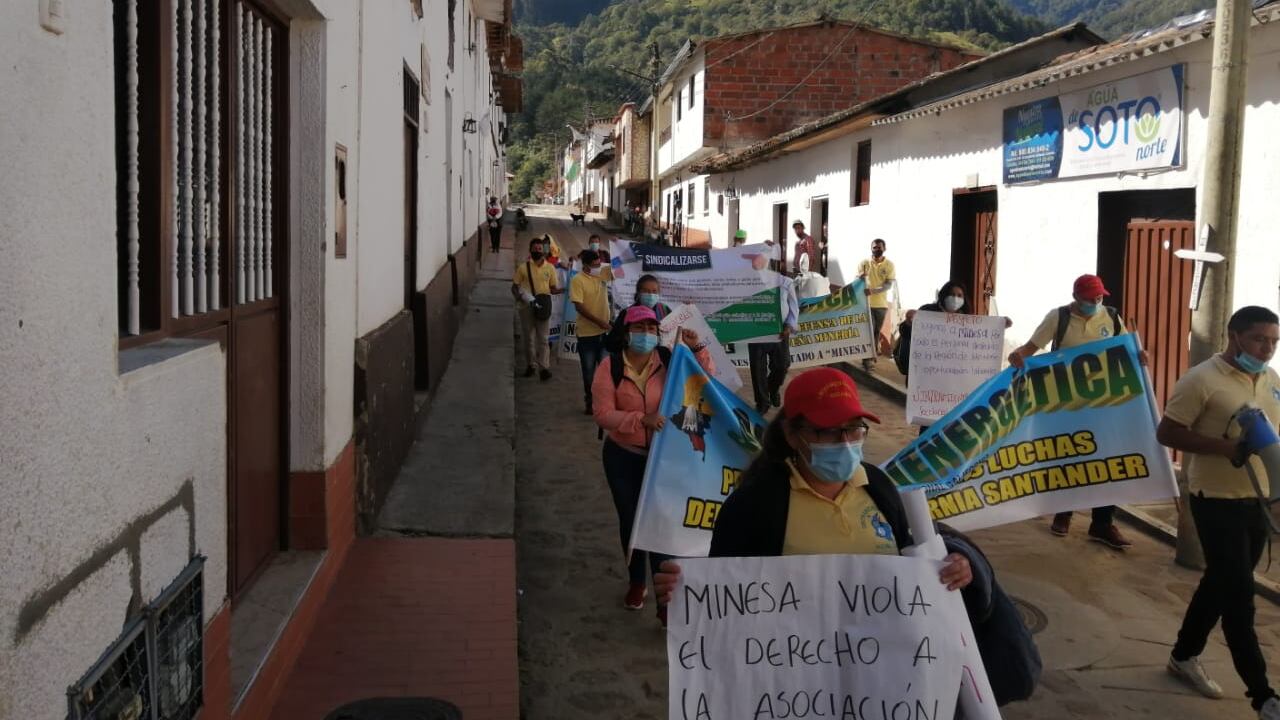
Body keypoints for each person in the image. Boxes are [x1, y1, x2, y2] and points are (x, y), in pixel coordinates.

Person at [652, 368, 1042, 703]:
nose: (845, 443)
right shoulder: (754, 506)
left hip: (885, 682)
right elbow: (723, 604)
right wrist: (685, 597)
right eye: (827, 432)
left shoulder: (880, 487)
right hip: (796, 690)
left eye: (854, 429)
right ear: (793, 434)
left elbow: (916, 560)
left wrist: (959, 567)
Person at [1158, 306, 1280, 717]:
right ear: (1234, 336)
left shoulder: (1270, 380)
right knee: (1239, 599)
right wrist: (1226, 448)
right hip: (1215, 502)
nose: (1267, 349)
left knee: (1220, 583)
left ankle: (1183, 656)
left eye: (1275, 342)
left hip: (1257, 502)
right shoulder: (1201, 380)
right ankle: (1264, 697)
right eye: (1260, 339)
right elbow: (1167, 432)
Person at [593, 305, 714, 626]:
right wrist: (639, 420)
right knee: (632, 522)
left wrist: (698, 348)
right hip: (622, 457)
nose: (645, 334)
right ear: (625, 331)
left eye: (650, 328)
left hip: (665, 460)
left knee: (661, 526)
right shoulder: (611, 366)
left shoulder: (671, 360)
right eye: (638, 328)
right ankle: (636, 582)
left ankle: (664, 600)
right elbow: (603, 414)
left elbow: (705, 383)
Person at [1008, 273, 1143, 549]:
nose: (1096, 301)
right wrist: (1018, 357)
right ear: (1076, 298)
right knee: (1070, 455)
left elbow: (1126, 350)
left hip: (1104, 402)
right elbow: (1031, 349)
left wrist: (1139, 356)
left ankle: (1103, 522)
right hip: (1065, 401)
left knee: (1107, 461)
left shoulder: (1111, 317)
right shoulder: (1058, 318)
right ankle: (1063, 512)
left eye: (1099, 297)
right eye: (1090, 298)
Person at [511, 237, 562, 380]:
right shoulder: (523, 268)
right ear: (530, 250)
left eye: (540, 249)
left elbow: (553, 289)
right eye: (535, 249)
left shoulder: (550, 268)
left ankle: (544, 368)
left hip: (543, 307)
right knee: (528, 339)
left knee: (544, 339)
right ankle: (530, 365)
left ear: (544, 251)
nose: (537, 251)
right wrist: (520, 297)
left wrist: (565, 289)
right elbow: (514, 287)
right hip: (526, 307)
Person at [748, 274, 800, 415]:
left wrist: (789, 326)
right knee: (758, 369)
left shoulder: (785, 283)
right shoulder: (744, 282)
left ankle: (772, 388)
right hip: (756, 330)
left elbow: (794, 307)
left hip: (780, 331)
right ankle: (762, 402)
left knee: (782, 365)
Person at [571, 249, 613, 414]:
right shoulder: (578, 280)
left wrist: (616, 244)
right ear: (586, 265)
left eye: (599, 263)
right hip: (587, 335)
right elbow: (579, 307)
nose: (599, 266)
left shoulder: (602, 273)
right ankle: (590, 401)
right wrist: (599, 322)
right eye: (595, 264)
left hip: (604, 334)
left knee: (605, 371)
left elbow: (622, 266)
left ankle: (603, 402)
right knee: (589, 372)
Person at [605, 274, 674, 353]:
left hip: (659, 359)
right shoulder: (627, 313)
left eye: (654, 291)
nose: (651, 295)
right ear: (638, 292)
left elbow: (675, 332)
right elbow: (611, 343)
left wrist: (687, 309)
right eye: (646, 291)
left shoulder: (665, 310)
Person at [858, 238, 896, 371]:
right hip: (866, 304)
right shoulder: (864, 263)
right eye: (874, 247)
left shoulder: (889, 265)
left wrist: (873, 291)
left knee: (875, 332)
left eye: (879, 247)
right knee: (868, 331)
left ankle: (871, 353)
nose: (877, 249)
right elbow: (857, 282)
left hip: (881, 305)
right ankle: (867, 360)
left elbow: (888, 284)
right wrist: (860, 278)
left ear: (884, 248)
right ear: (871, 248)